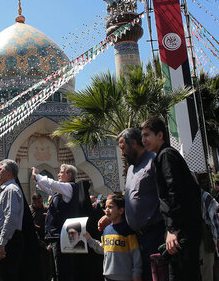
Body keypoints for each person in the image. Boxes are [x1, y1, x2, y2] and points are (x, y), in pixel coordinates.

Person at [140, 117, 202, 281]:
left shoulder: (166, 155)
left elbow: (174, 192)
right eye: (142, 136)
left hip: (182, 231)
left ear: (160, 135)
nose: (143, 140)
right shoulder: (163, 156)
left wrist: (173, 229)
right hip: (186, 228)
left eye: (147, 135)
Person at [115, 127, 164, 280]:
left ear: (135, 143)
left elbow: (168, 197)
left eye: (123, 148)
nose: (122, 153)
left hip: (156, 234)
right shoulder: (130, 169)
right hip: (138, 239)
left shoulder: (155, 160)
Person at [32, 164, 79, 281]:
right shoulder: (61, 192)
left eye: (61, 172)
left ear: (69, 175)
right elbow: (47, 188)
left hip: (62, 236)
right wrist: (36, 178)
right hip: (56, 236)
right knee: (56, 269)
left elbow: (52, 183)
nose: (58, 174)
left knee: (62, 270)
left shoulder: (69, 187)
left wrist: (37, 176)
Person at [84, 194, 141, 281]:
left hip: (125, 277)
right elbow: (103, 249)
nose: (106, 210)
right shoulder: (106, 230)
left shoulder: (128, 230)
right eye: (105, 207)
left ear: (121, 210)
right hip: (108, 277)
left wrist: (137, 273)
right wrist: (89, 239)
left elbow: (136, 255)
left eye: (110, 207)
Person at [0, 159, 24, 281]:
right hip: (7, 239)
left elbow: (11, 217)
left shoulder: (10, 190)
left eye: (0, 169)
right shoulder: (8, 190)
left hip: (8, 240)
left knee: (5, 275)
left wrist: (1, 242)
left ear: (9, 172)